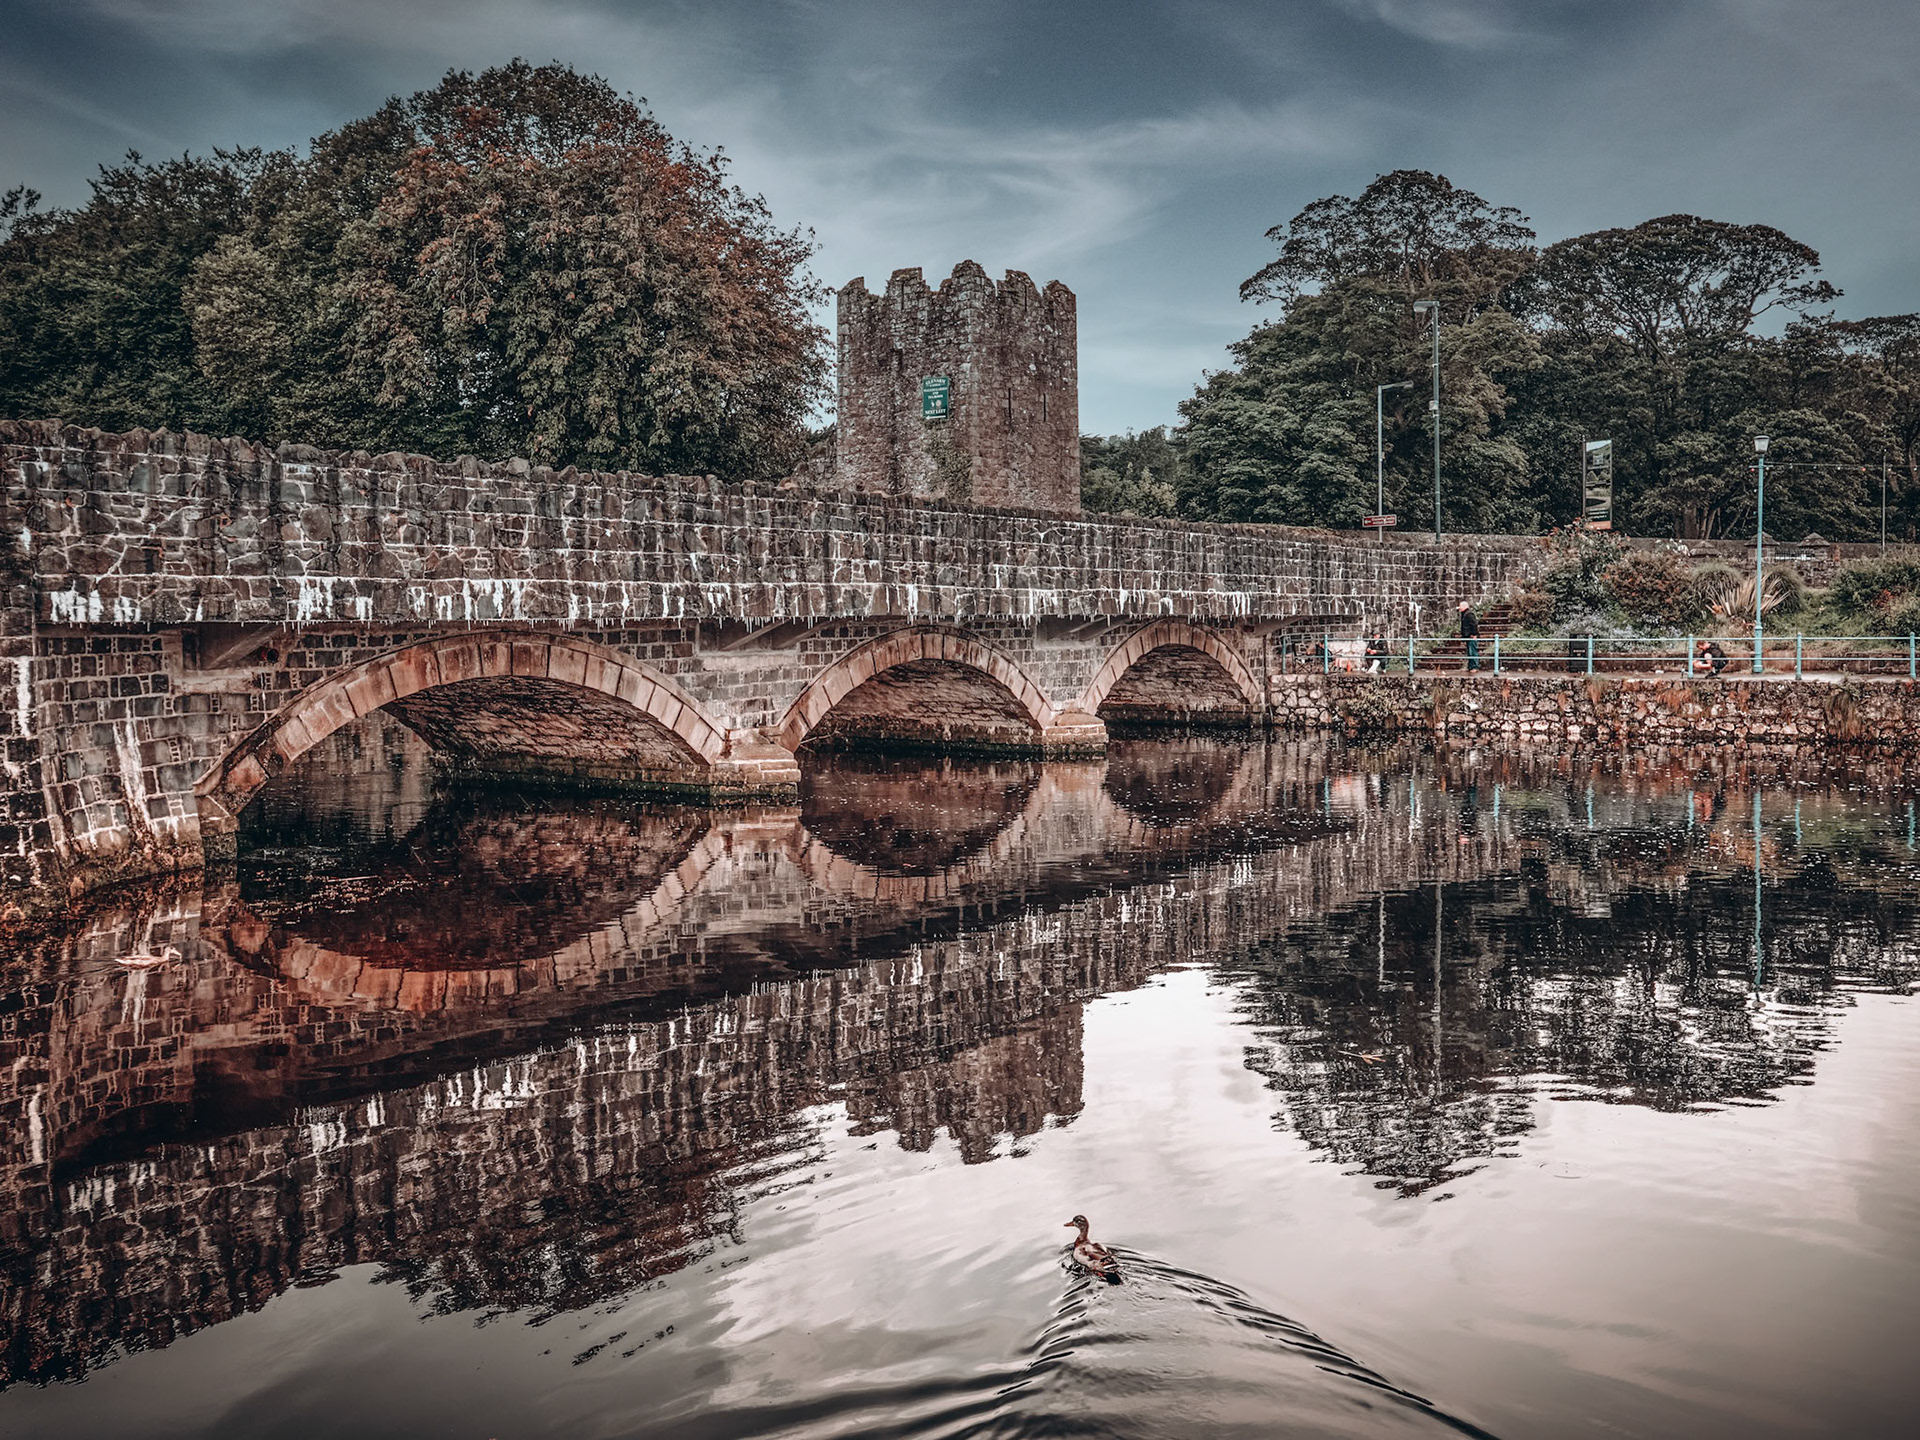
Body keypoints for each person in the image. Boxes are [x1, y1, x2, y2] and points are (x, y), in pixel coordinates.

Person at [1457, 601, 1481, 671]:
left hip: (1471, 636)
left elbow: (1474, 624)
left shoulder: (1469, 614)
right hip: (1468, 636)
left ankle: (1474, 667)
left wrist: (1474, 634)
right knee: (1470, 652)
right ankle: (1471, 666)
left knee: (1473, 651)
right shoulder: (1466, 614)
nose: (1459, 608)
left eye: (1460, 607)